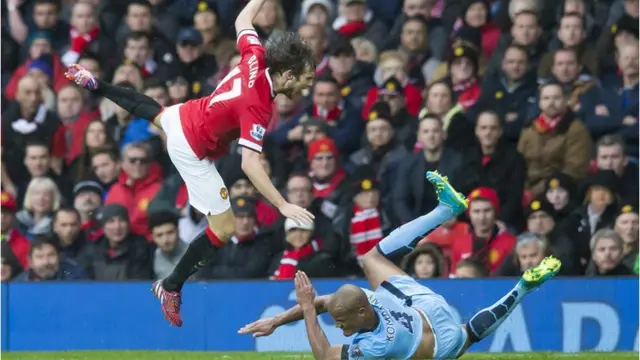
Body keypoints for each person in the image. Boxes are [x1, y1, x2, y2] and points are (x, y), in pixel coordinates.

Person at [65, 0, 316, 327]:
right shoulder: (258, 106)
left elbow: (243, 18)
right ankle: (170, 286)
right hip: (191, 148)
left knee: (157, 113)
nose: (308, 84)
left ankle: (98, 84)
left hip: (188, 113)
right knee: (224, 228)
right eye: (306, 77)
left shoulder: (255, 55)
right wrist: (282, 205)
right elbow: (250, 165)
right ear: (287, 74)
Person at [239, 171, 562, 359]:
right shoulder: (371, 299)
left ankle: (524, 286)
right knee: (371, 259)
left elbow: (325, 354)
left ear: (363, 311)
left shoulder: (374, 347)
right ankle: (445, 210)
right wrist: (279, 320)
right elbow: (328, 302)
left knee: (469, 335)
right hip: (426, 309)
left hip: (438, 344)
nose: (337, 326)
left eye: (339, 321)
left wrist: (307, 309)